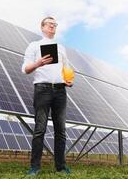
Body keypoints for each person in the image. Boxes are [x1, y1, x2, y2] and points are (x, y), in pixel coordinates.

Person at [22, 16, 72, 176]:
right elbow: (25, 69)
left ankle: (61, 167)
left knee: (61, 130)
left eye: (55, 25)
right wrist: (38, 63)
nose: (53, 27)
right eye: (50, 24)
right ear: (42, 27)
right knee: (40, 129)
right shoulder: (34, 46)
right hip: (42, 90)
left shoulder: (61, 48)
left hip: (60, 91)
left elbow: (66, 68)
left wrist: (68, 80)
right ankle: (34, 167)